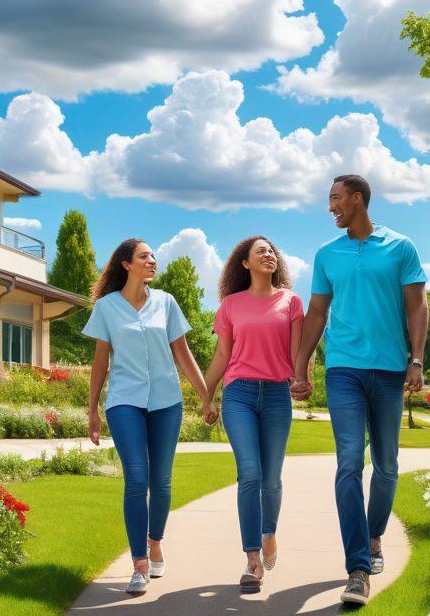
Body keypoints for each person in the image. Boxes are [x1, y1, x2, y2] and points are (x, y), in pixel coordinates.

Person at [291, 175, 428, 606]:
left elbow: (417, 305)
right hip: (344, 368)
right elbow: (316, 312)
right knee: (349, 462)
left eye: (335, 198)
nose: (330, 206)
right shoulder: (327, 254)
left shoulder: (400, 247)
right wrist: (300, 364)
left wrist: (416, 359)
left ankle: (373, 536)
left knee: (386, 465)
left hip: (389, 368)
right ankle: (358, 568)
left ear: (357, 199)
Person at [85, 238, 218, 596]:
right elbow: (100, 361)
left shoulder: (166, 302)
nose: (152, 261)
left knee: (161, 481)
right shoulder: (107, 308)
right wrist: (92, 409)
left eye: (153, 256)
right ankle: (139, 564)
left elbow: (183, 354)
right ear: (126, 264)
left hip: (166, 401)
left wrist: (206, 396)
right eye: (144, 256)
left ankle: (154, 540)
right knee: (136, 478)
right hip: (124, 401)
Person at [205, 237, 303, 591]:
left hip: (277, 395)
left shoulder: (291, 302)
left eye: (272, 251)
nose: (268, 254)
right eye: (260, 251)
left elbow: (297, 353)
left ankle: (269, 533)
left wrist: (301, 379)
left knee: (271, 479)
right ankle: (251, 559)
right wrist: (206, 395)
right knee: (249, 474)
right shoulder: (231, 305)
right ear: (245, 263)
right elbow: (222, 355)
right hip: (239, 394)